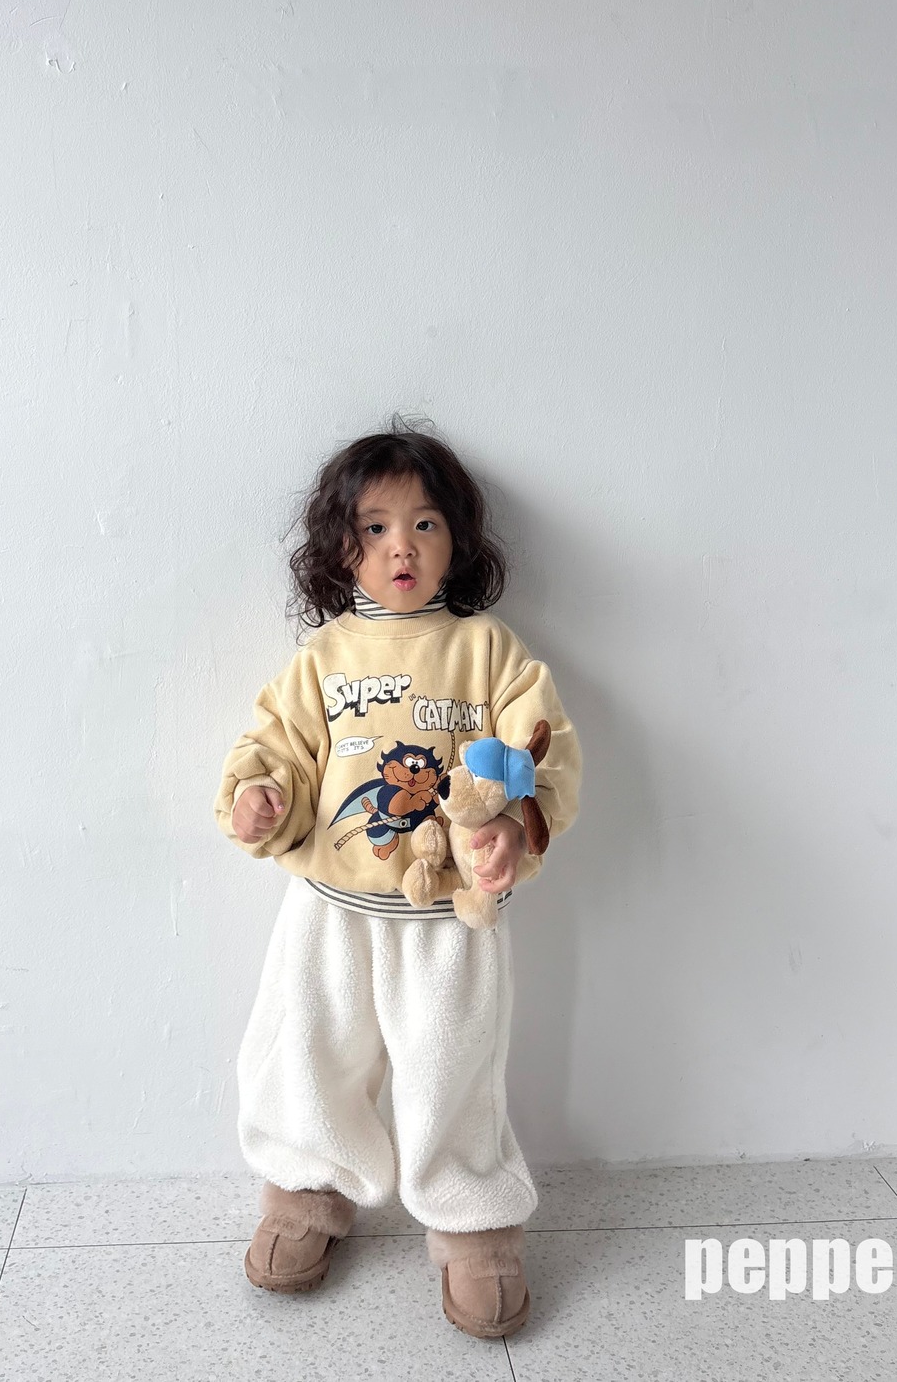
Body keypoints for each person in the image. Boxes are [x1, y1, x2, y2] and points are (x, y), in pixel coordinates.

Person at [213, 414, 582, 1340]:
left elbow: (545, 749)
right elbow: (278, 745)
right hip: (330, 909)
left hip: (452, 915)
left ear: (458, 538)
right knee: (308, 1048)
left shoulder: (487, 649)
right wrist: (259, 795)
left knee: (454, 1066)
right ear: (340, 546)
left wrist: (509, 827)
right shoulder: (324, 657)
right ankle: (305, 1188)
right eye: (374, 527)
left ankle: (472, 1220)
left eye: (424, 523)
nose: (401, 546)